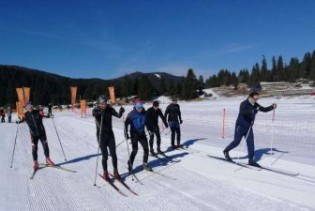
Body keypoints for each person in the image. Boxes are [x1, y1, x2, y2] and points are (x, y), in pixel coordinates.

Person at [223, 92, 277, 167]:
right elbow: (243, 112)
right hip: (240, 126)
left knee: (251, 143)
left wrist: (272, 107)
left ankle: (251, 160)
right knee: (236, 142)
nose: (256, 100)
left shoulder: (255, 104)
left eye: (257, 98)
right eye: (255, 98)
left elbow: (264, 109)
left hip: (249, 127)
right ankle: (226, 151)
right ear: (251, 97)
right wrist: (253, 111)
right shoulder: (244, 103)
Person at [92, 95, 125, 181]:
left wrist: (121, 112)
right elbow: (94, 114)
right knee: (105, 155)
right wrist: (100, 113)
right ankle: (105, 172)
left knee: (113, 154)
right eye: (102, 104)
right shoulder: (96, 110)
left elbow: (118, 115)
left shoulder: (109, 109)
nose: (104, 105)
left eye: (105, 103)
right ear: (99, 103)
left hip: (110, 135)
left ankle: (115, 171)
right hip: (101, 136)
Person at [16, 101, 55, 169]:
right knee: (34, 148)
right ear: (26, 108)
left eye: (30, 105)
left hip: (42, 133)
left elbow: (47, 115)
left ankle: (48, 159)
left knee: (45, 146)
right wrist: (18, 120)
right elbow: (19, 121)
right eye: (28, 106)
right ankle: (35, 162)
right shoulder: (25, 115)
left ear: (32, 106)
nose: (29, 107)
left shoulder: (38, 112)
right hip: (33, 135)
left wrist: (49, 113)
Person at [124, 101, 152, 172]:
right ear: (136, 107)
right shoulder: (131, 114)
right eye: (139, 108)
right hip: (134, 134)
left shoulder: (144, 113)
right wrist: (126, 133)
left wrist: (149, 130)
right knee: (135, 150)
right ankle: (130, 163)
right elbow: (126, 124)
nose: (140, 109)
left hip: (142, 133)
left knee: (146, 149)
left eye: (141, 108)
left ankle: (145, 163)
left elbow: (147, 123)